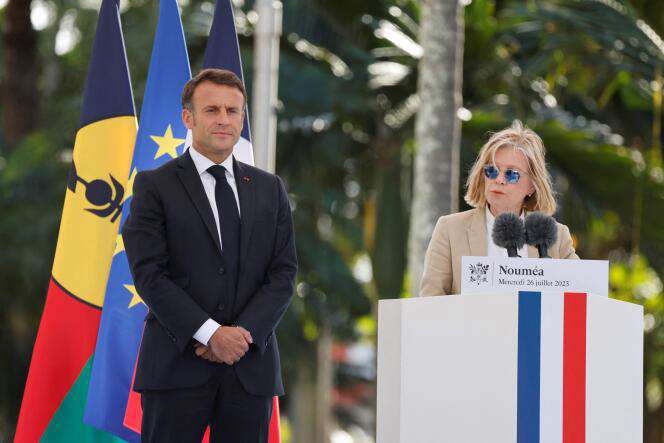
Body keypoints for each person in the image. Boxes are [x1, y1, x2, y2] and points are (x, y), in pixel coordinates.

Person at [122, 68, 297, 442]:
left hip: (250, 370)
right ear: (188, 117)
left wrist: (241, 336)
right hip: (175, 368)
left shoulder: (270, 189)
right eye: (212, 110)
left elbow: (283, 275)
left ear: (242, 119)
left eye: (232, 111)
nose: (223, 120)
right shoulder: (154, 186)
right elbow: (150, 275)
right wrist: (210, 333)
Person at [420, 120, 578, 296]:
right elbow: (430, 300)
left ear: (532, 186)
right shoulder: (450, 229)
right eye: (492, 171)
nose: (499, 179)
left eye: (511, 174)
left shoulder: (558, 236)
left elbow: (584, 291)